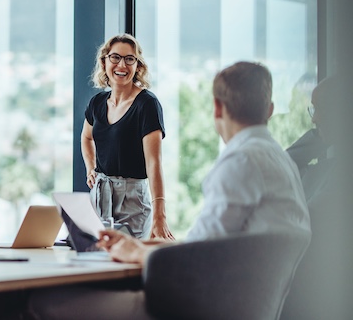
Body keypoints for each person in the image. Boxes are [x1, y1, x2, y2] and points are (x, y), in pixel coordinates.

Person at [27, 61, 311, 320]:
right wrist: (139, 245)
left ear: (217, 108)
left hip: (192, 308)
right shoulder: (280, 161)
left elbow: (198, 259)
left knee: (41, 302)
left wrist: (137, 253)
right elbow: (213, 244)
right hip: (241, 307)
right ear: (270, 109)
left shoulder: (241, 161)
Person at [81, 33, 173, 239]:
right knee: (97, 262)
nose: (121, 65)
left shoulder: (147, 104)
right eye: (115, 57)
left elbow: (154, 163)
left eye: (129, 59)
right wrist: (90, 168)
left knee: (128, 265)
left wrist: (160, 215)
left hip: (133, 200)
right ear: (104, 62)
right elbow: (86, 138)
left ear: (138, 66)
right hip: (99, 195)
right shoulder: (97, 103)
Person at [286, 75, 338, 203]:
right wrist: (321, 135)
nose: (313, 119)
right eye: (314, 110)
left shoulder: (340, 174)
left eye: (320, 108)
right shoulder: (325, 169)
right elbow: (280, 168)